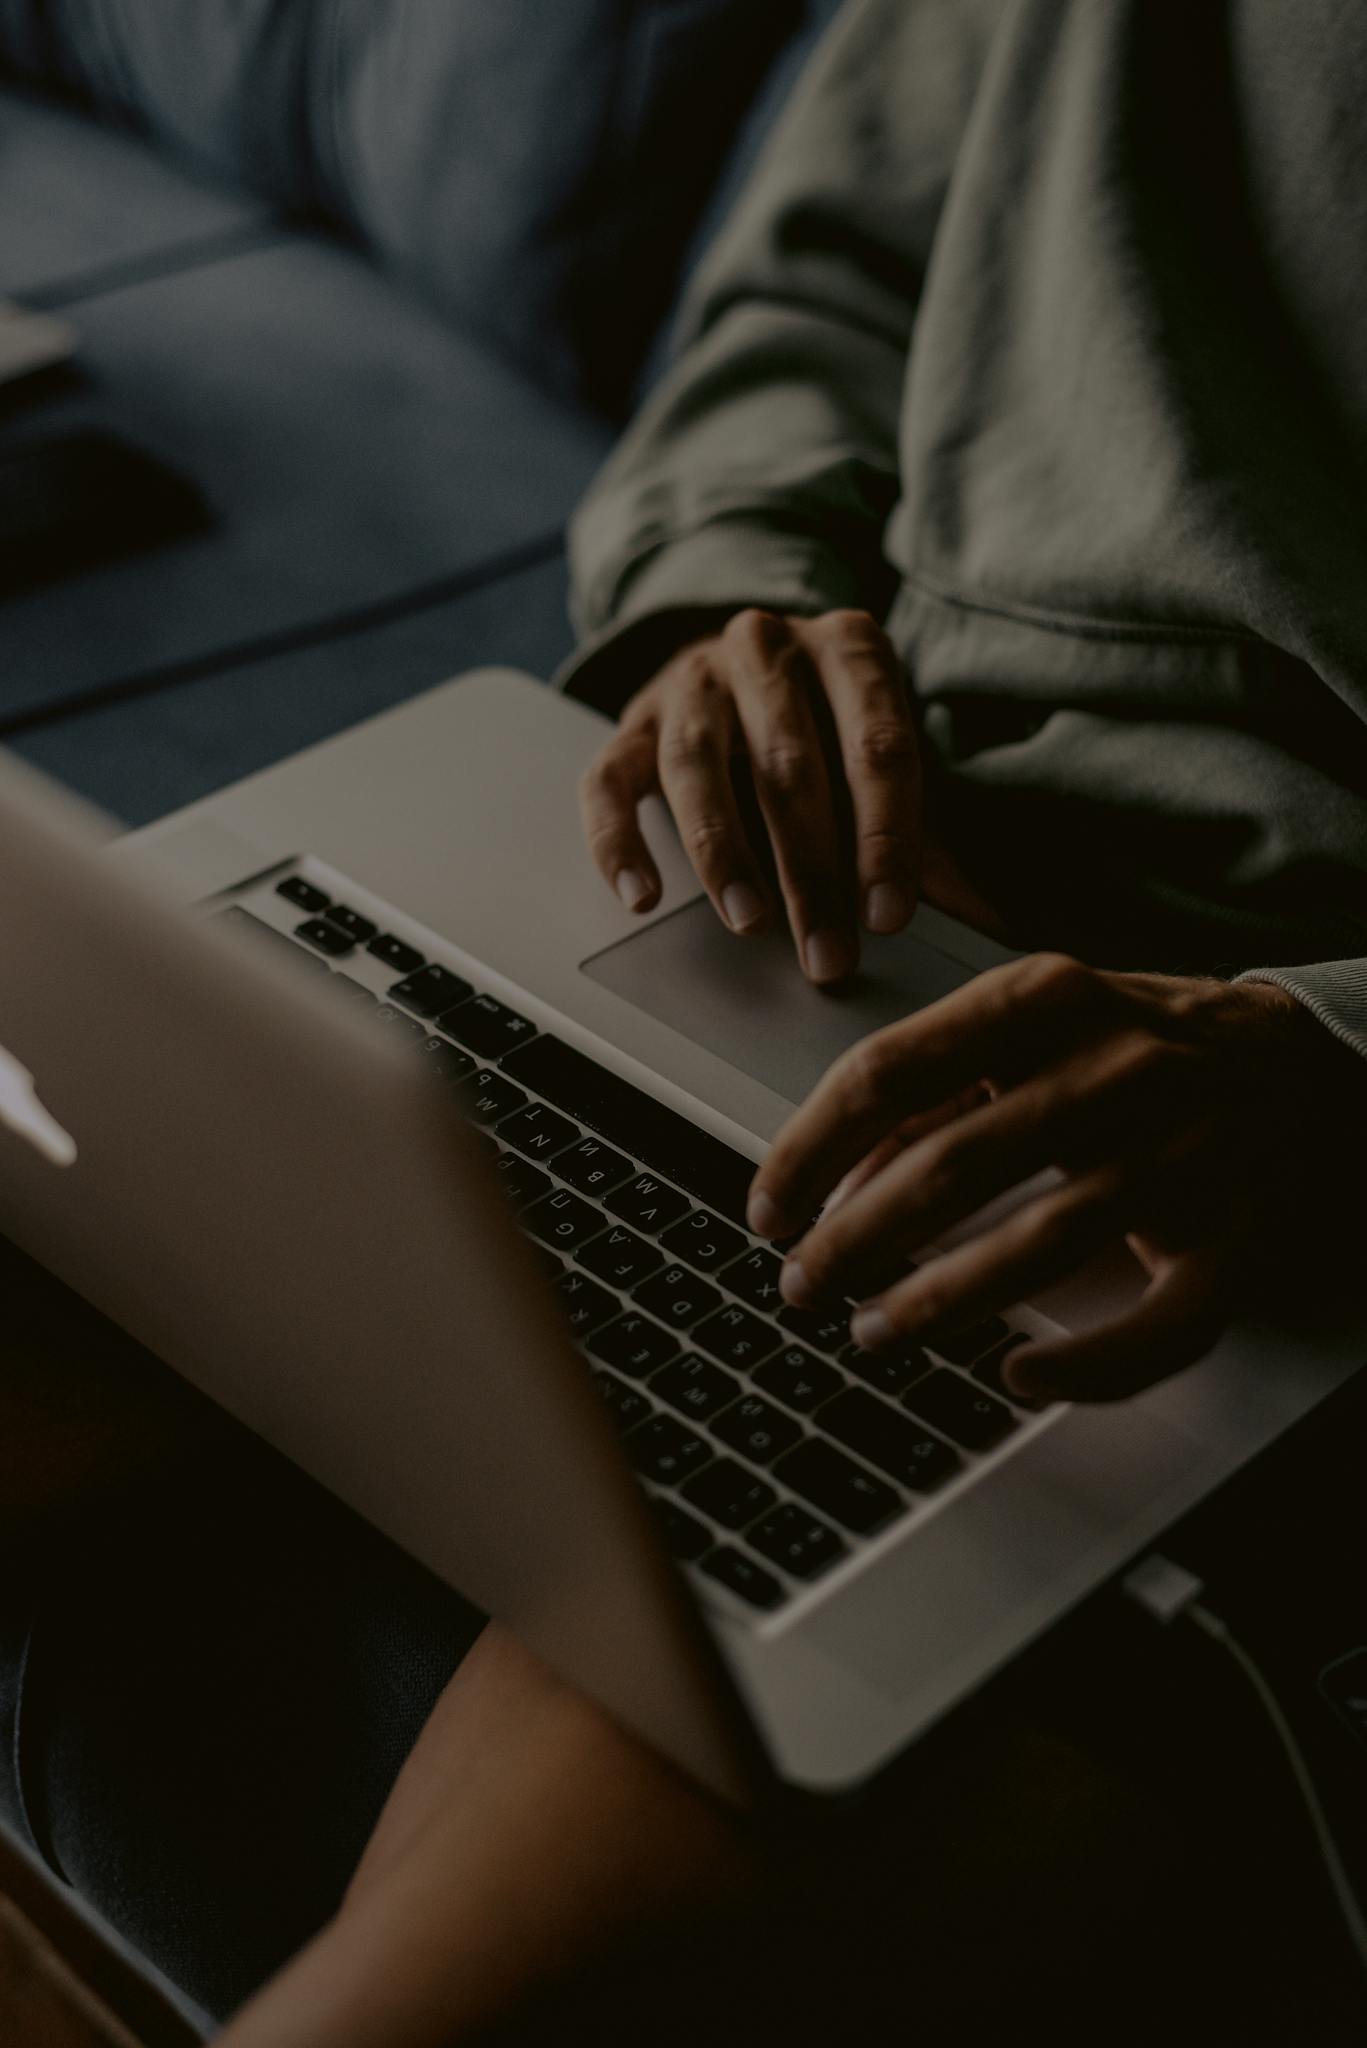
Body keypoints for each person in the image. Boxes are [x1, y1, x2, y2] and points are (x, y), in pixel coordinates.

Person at [11, 2, 1367, 2040]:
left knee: (800, 1513)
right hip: (820, 851)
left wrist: (1330, 1053)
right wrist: (717, 605)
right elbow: (817, 282)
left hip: (1228, 1050)